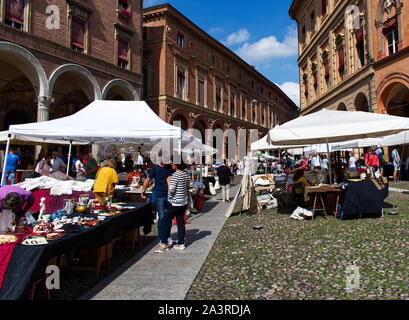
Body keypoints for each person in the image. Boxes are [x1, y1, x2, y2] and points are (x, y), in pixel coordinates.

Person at [155, 162, 192, 253]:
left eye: (173, 163)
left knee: (165, 221)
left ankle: (164, 243)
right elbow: (189, 186)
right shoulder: (185, 174)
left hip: (175, 202)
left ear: (176, 164)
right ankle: (181, 243)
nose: (171, 165)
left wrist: (168, 181)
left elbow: (171, 190)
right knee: (180, 223)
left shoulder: (175, 175)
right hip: (183, 202)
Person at [141, 155, 174, 247]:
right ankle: (162, 238)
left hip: (169, 196)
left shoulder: (169, 168)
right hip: (160, 196)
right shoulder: (155, 168)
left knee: (169, 217)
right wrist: (143, 189)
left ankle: (168, 236)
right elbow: (148, 179)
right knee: (162, 217)